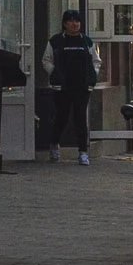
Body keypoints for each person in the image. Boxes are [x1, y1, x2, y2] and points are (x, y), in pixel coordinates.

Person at [42, 10, 99, 165]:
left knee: (80, 117)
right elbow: (46, 60)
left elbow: (95, 60)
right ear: (65, 23)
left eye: (77, 21)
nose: (75, 24)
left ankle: (83, 152)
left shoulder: (86, 41)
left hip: (81, 86)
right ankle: (54, 144)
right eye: (71, 21)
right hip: (62, 86)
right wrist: (55, 73)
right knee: (62, 116)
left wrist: (92, 75)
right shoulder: (56, 41)